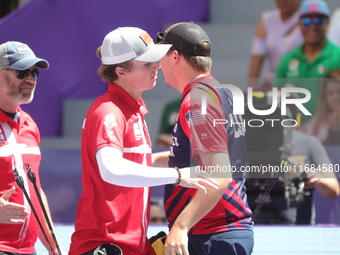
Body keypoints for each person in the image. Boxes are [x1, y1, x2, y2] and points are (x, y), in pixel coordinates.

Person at [68, 27, 220, 255]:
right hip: (105, 243)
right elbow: (111, 169)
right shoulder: (108, 111)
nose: (157, 66)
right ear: (121, 71)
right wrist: (178, 175)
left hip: (129, 243)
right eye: (147, 63)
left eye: (155, 59)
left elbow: (135, 162)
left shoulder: (131, 110)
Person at [156, 22, 254, 255]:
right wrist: (134, 164)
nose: (158, 65)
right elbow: (193, 160)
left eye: (162, 56)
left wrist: (181, 226)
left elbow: (219, 174)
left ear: (175, 56)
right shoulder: (217, 92)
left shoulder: (200, 100)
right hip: (219, 234)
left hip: (213, 235)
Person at [0, 41, 63, 254]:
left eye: (34, 73)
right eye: (21, 72)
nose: (29, 79)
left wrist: (53, 245)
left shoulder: (29, 123)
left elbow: (34, 191)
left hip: (27, 250)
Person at [274, 0, 340, 123]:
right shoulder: (288, 60)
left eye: (318, 21)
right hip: (294, 132)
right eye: (306, 21)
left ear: (328, 24)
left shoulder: (337, 56)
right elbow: (276, 101)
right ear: (299, 24)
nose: (312, 26)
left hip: (331, 133)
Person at [248, 0, 304, 90]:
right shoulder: (266, 19)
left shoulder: (308, 20)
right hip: (273, 82)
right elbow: (256, 61)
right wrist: (252, 89)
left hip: (300, 82)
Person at [300, 69, 340, 145]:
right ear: (324, 97)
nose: (335, 97)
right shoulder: (316, 123)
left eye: (339, 91)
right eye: (330, 93)